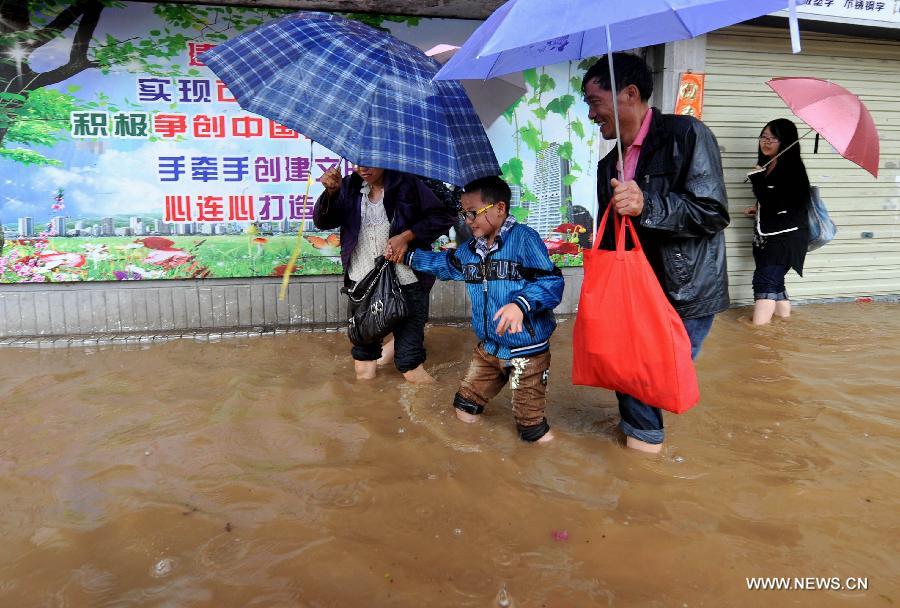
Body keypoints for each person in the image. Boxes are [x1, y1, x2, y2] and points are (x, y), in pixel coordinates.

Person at [581, 53, 730, 453]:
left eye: (595, 101)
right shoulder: (607, 166)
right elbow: (611, 234)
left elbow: (713, 212)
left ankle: (641, 467)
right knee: (628, 375)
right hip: (630, 291)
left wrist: (650, 204)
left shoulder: (687, 135)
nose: (591, 114)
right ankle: (636, 444)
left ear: (629, 93)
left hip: (683, 292)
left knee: (646, 382)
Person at [403, 176, 564, 443]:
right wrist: (408, 256)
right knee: (464, 408)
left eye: (473, 213)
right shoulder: (469, 251)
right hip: (488, 350)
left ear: (500, 208)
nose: (467, 220)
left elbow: (551, 282)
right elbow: (445, 264)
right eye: (463, 213)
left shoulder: (524, 239)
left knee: (530, 428)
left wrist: (520, 305)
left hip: (526, 354)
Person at [314, 165, 455, 383]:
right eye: (358, 161)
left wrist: (406, 237)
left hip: (406, 284)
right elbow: (323, 222)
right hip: (361, 287)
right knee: (364, 365)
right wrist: (331, 193)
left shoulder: (407, 184)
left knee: (410, 367)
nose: (363, 168)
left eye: (370, 161)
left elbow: (443, 216)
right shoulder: (349, 186)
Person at [743, 119, 810, 325]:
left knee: (765, 282)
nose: (766, 142)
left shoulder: (793, 170)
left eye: (773, 138)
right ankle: (784, 326)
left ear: (785, 141)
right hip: (769, 236)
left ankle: (759, 338)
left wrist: (757, 180)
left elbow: (779, 202)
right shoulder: (770, 165)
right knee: (776, 283)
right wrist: (758, 210)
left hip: (785, 238)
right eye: (763, 136)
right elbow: (776, 204)